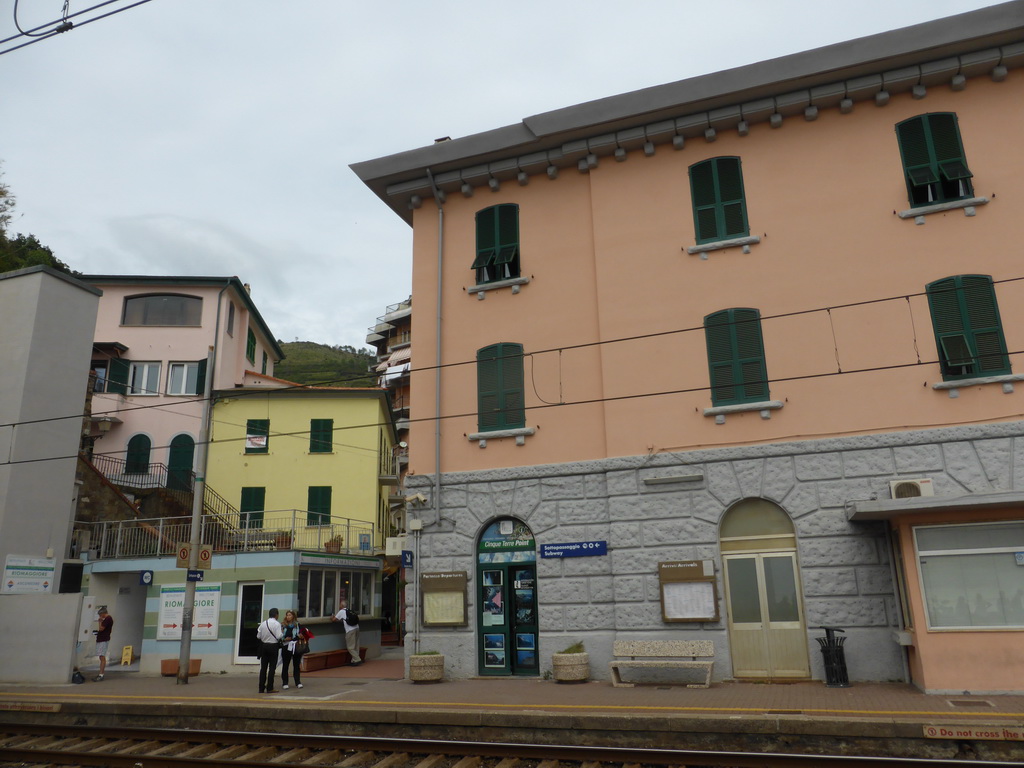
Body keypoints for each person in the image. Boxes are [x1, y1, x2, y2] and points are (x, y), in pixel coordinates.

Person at [256, 607, 283, 693]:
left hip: (264, 647)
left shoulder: (263, 623)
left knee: (263, 668)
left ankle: (261, 688)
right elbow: (279, 636)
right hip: (273, 646)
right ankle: (270, 687)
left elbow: (258, 636)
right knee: (272, 668)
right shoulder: (277, 624)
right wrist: (282, 632)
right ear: (276, 615)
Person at [279, 610, 305, 690]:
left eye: (290, 615)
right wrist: (285, 639)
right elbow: (280, 636)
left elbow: (303, 634)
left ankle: (298, 682)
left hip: (295, 646)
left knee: (296, 665)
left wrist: (300, 636)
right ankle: (285, 683)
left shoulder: (297, 625)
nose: (288, 617)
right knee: (285, 665)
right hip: (286, 646)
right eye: (287, 615)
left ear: (293, 616)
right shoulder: (283, 625)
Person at [331, 599, 361, 665]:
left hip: (350, 630)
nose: (339, 606)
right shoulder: (349, 610)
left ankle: (357, 659)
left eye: (339, 604)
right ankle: (354, 660)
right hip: (356, 628)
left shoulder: (341, 611)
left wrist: (332, 617)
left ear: (342, 605)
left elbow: (334, 620)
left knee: (350, 647)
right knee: (356, 645)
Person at [93, 606, 113, 682]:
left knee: (102, 656)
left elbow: (101, 628)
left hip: (103, 640)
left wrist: (100, 621)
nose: (100, 616)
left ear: (103, 613)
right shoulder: (107, 619)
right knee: (101, 656)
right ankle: (100, 673)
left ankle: (101, 674)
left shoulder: (108, 619)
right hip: (101, 639)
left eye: (100, 615)